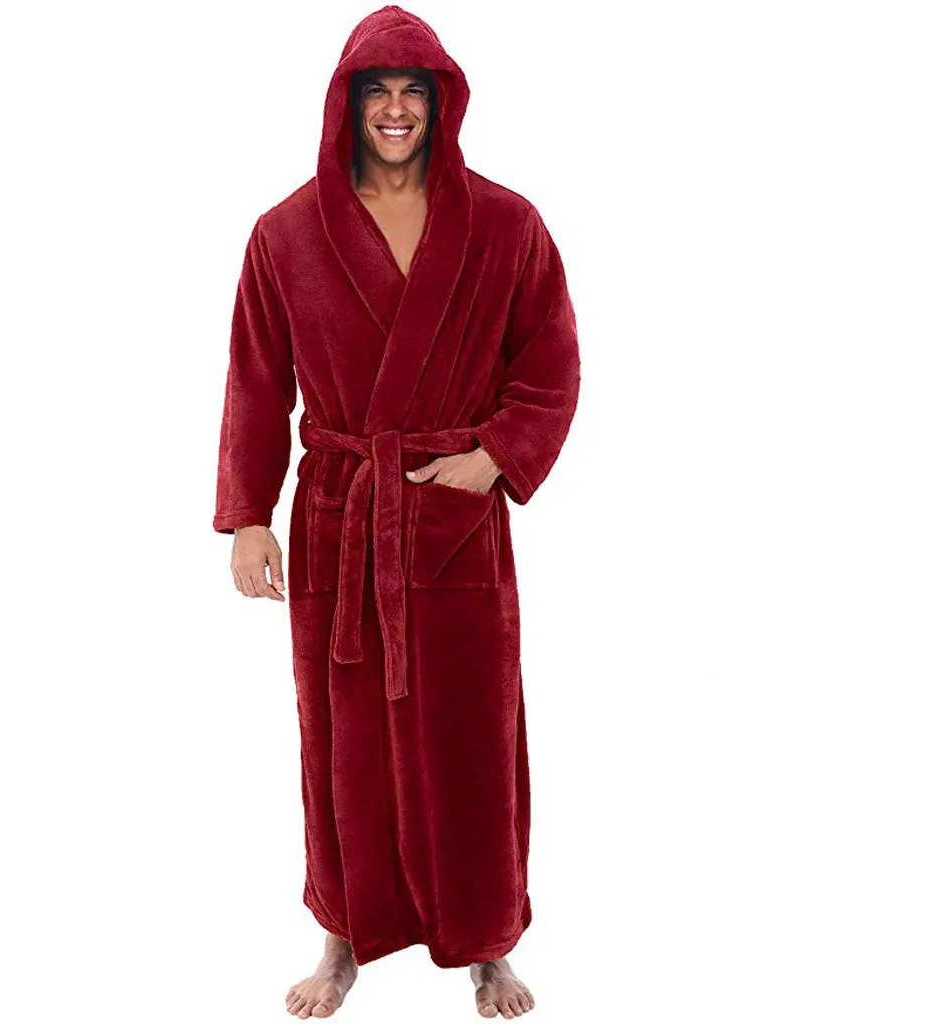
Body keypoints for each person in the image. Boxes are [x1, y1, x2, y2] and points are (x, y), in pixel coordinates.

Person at [213, 5, 580, 1018]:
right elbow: (256, 379)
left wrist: (495, 457)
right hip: (340, 519)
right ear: (345, 104)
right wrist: (250, 515)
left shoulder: (505, 224)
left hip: (455, 520)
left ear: (440, 103)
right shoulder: (285, 232)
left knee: (473, 738)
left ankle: (487, 946)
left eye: (413, 90)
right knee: (341, 742)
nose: (394, 108)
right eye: (375, 90)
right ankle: (342, 937)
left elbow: (550, 360)